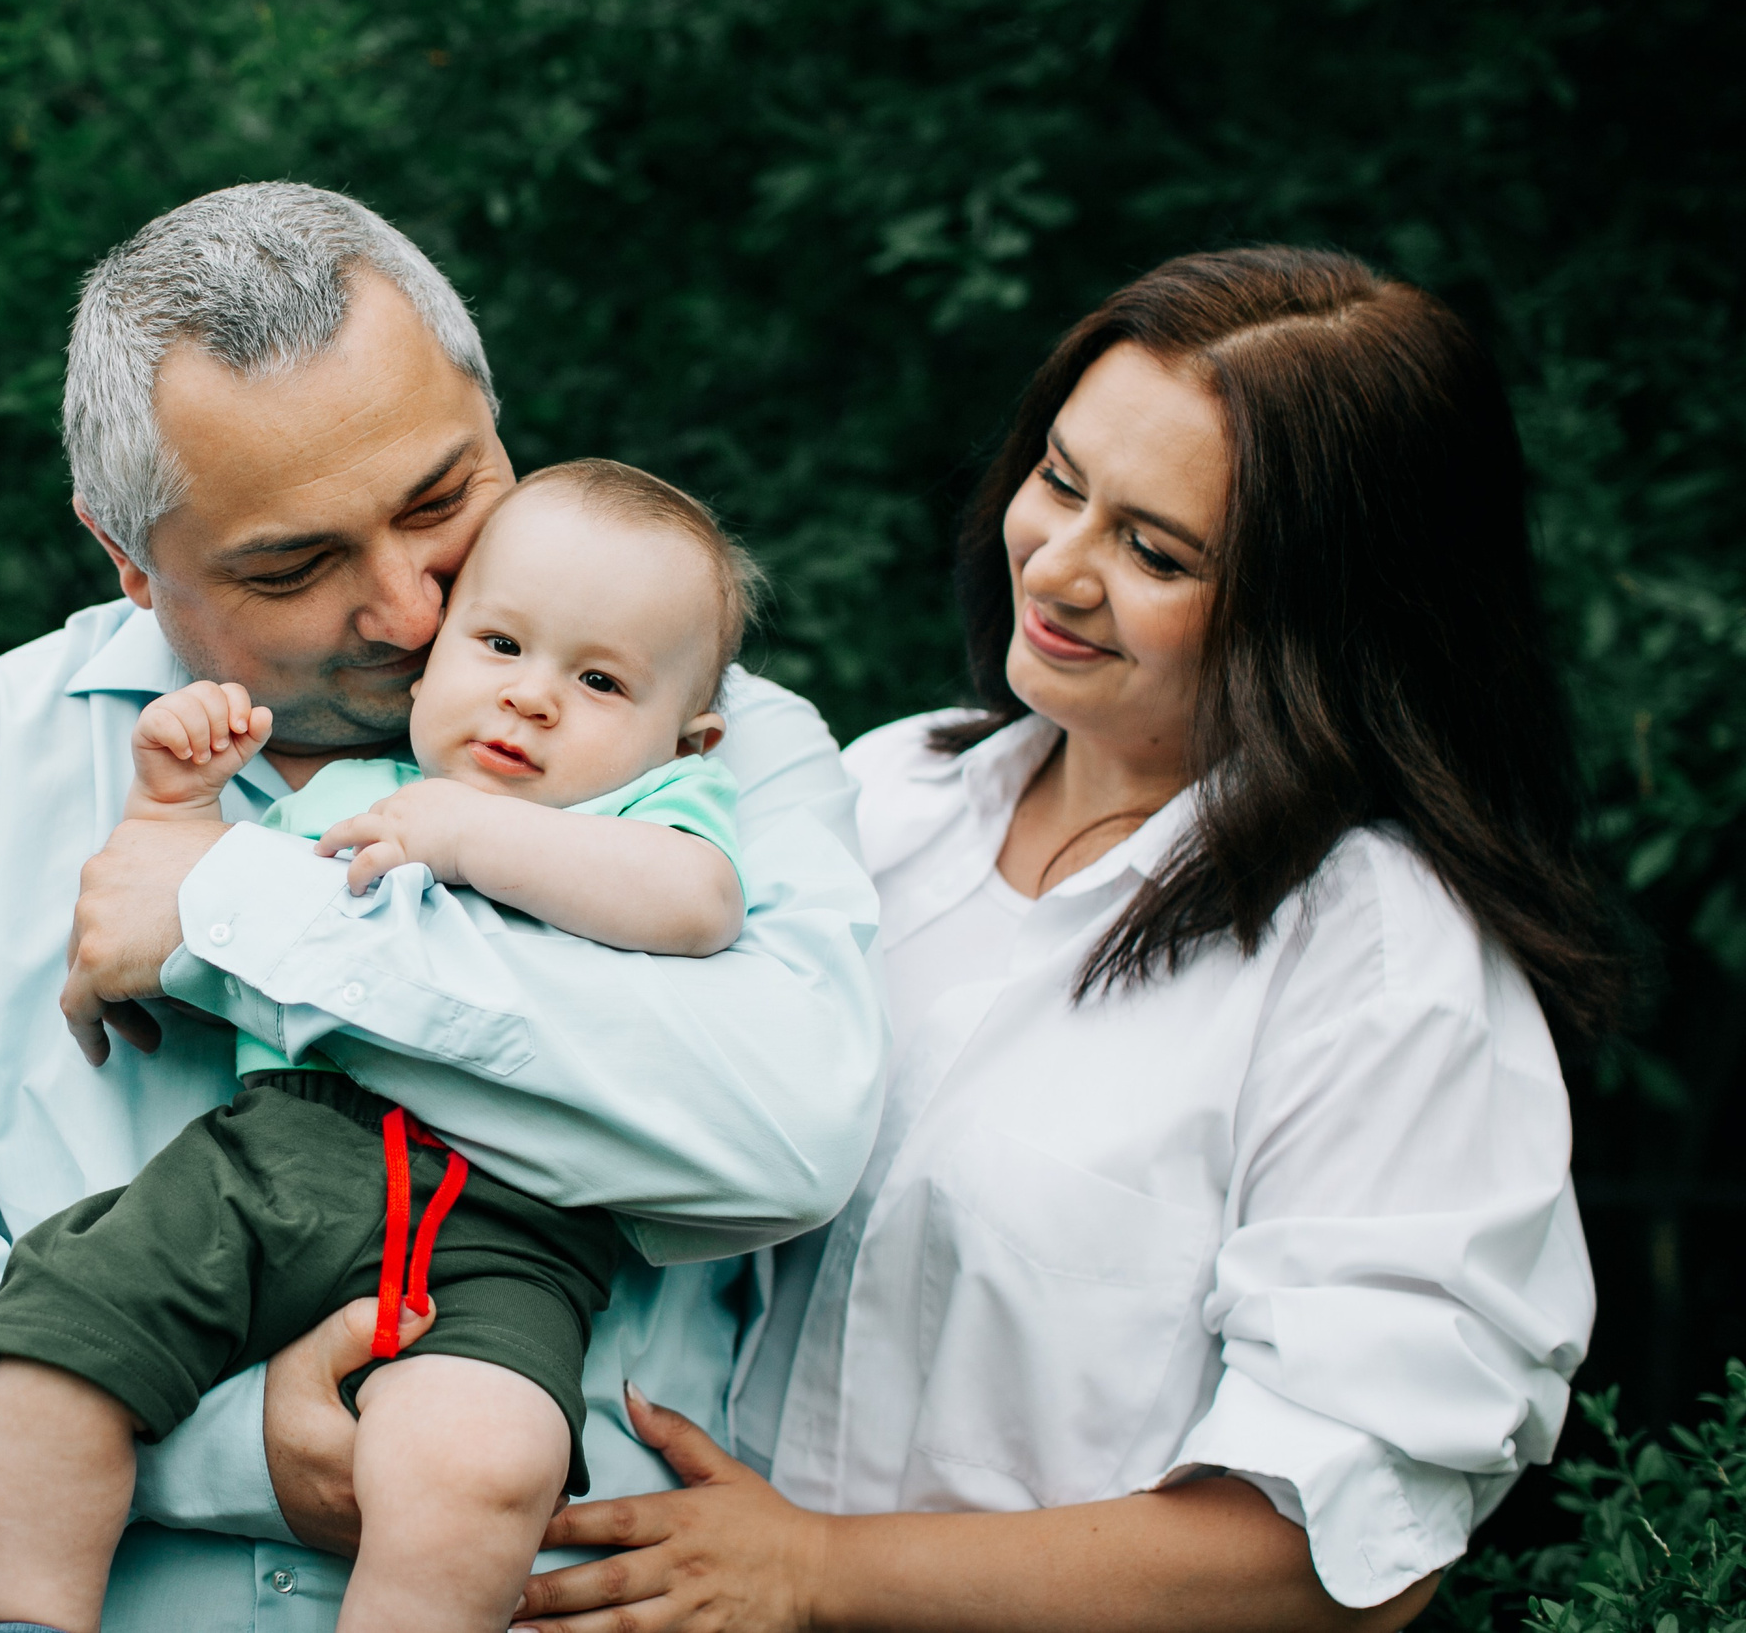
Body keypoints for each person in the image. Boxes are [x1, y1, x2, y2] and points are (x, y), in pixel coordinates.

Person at [0, 182, 886, 1633]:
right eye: (295, 563)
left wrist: (234, 920)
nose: (406, 608)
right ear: (127, 557)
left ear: (494, 412)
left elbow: (785, 1137)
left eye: (443, 500)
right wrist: (219, 1449)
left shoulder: (714, 732)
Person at [511, 247, 1615, 1633]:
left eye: (1156, 550)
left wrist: (819, 1571)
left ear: (1324, 610)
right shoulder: (882, 796)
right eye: (1061, 478)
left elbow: (1346, 1550)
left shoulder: (1384, 970)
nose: (1060, 561)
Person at [0, 461, 759, 1633]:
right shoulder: (345, 792)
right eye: (499, 646)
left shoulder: (651, 817)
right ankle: (32, 1616)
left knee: (484, 1466)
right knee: (62, 1346)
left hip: (507, 1226)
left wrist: (473, 835)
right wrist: (178, 810)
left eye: (598, 680)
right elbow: (194, 918)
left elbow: (694, 906)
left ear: (687, 740)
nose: (532, 699)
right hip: (268, 1162)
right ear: (432, 656)